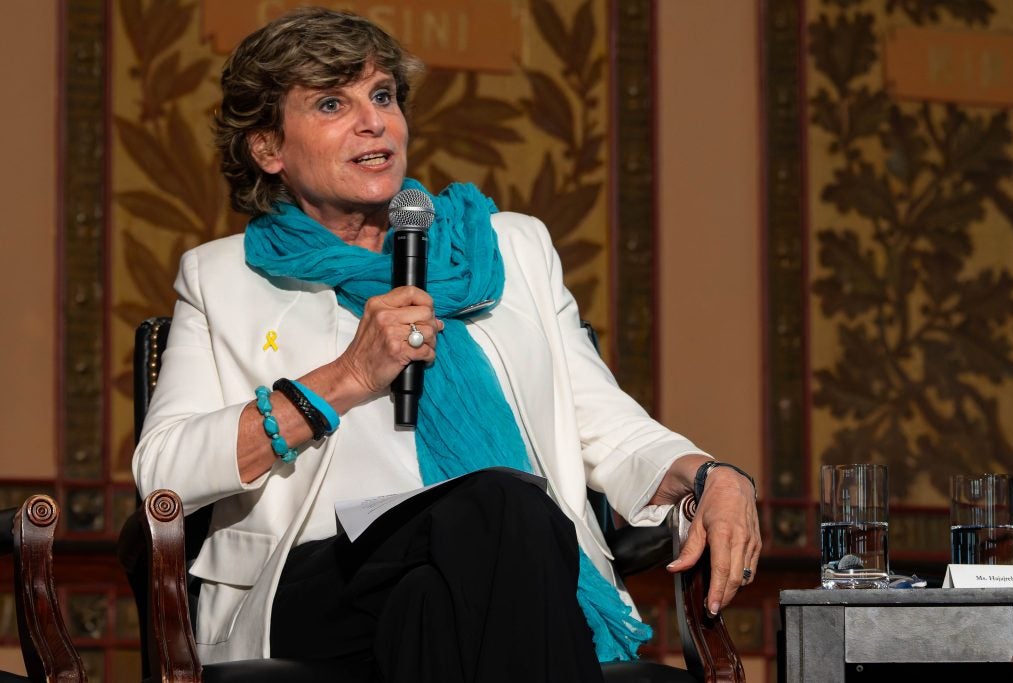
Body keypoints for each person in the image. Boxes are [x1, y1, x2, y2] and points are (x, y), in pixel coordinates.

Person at [132, 6, 760, 681]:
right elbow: (164, 471)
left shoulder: (510, 250)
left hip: (486, 572)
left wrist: (711, 474)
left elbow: (608, 428)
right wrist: (343, 378)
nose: (372, 120)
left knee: (444, 592)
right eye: (331, 103)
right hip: (316, 578)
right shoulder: (224, 279)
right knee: (504, 504)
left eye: (382, 95)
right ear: (268, 149)